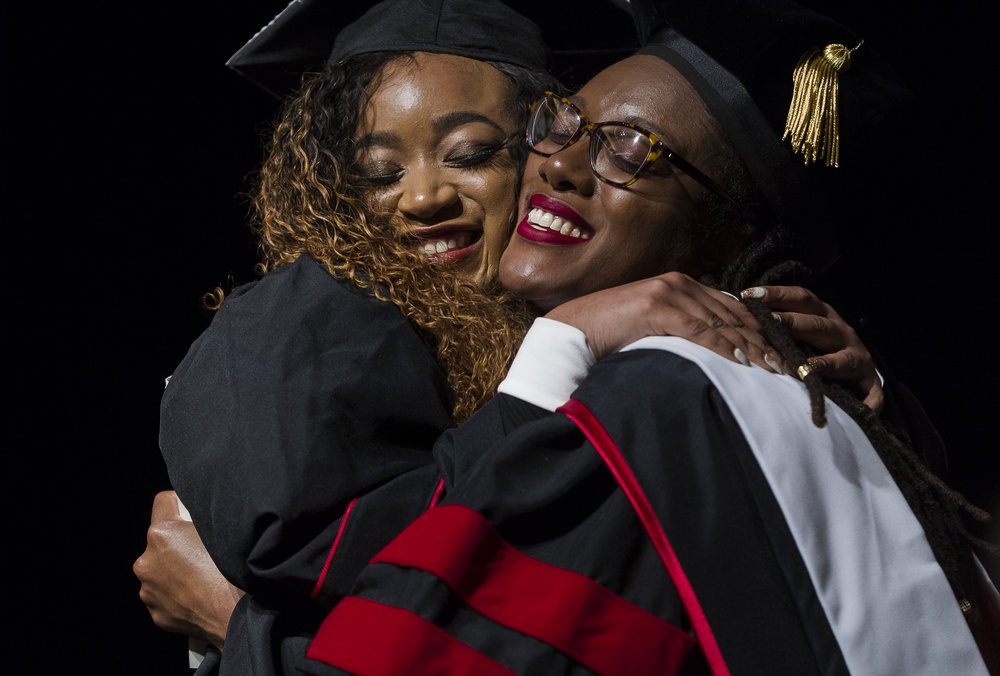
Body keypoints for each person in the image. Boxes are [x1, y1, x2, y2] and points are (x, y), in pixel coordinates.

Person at [137, 0, 905, 672]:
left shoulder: (602, 349)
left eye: (473, 154)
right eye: (377, 173)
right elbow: (348, 573)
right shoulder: (306, 320)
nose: (425, 195)